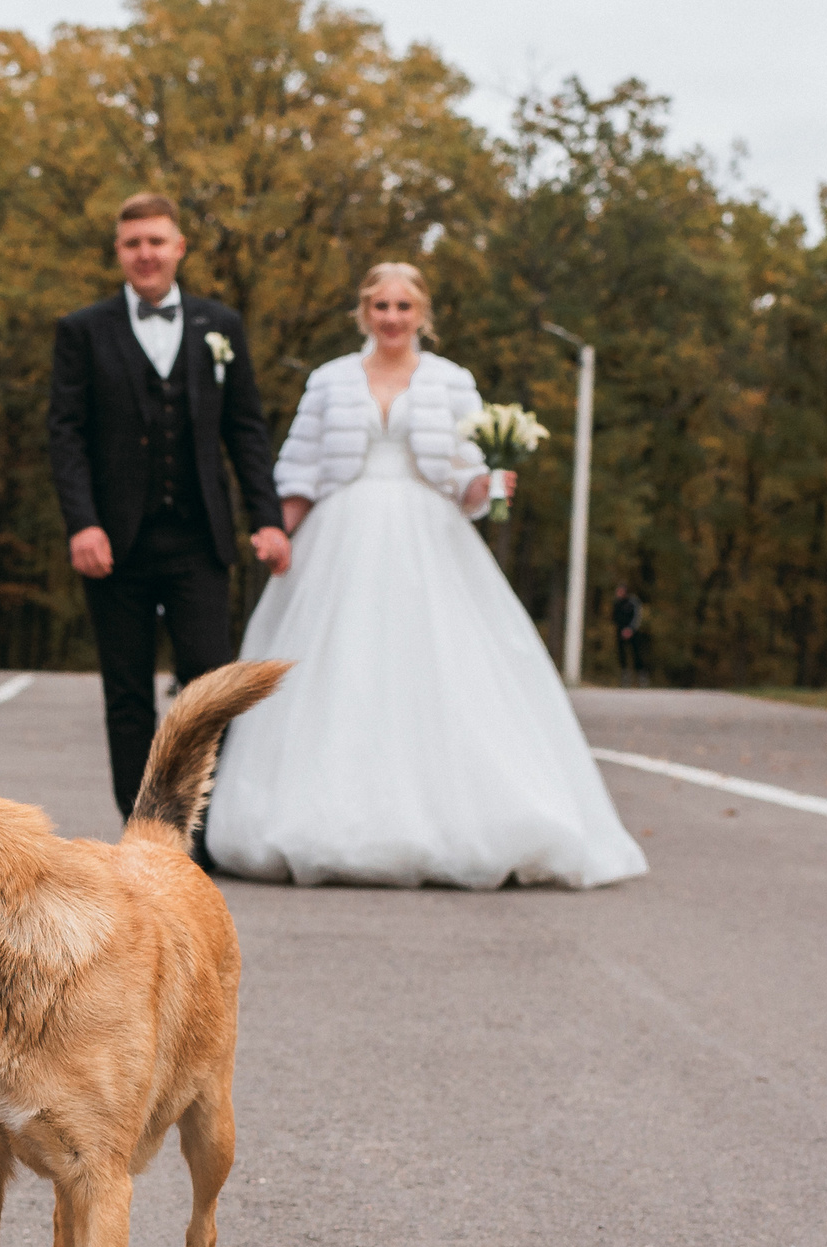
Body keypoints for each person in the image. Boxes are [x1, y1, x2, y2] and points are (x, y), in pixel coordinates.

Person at [203, 262, 647, 889]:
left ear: (421, 314)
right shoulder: (329, 381)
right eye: (380, 306)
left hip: (429, 537)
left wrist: (488, 484)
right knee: (338, 672)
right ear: (364, 312)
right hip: (340, 539)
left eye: (403, 306)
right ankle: (319, 817)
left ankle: (463, 820)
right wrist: (278, 534)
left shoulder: (451, 381)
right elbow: (298, 472)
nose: (391, 318)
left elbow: (463, 480)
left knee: (442, 671)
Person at [49, 192, 293, 823]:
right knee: (127, 695)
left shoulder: (221, 326)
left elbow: (246, 429)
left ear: (179, 247)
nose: (146, 253)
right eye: (133, 243)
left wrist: (266, 517)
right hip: (115, 544)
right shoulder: (82, 330)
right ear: (119, 251)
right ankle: (139, 832)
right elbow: (66, 434)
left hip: (198, 539)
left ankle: (202, 829)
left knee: (208, 689)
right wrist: (83, 523)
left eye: (157, 241)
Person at [612, 586, 646, 686]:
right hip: (620, 631)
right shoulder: (617, 603)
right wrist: (621, 629)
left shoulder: (633, 601)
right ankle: (625, 676)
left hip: (633, 632)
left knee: (636, 654)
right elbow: (615, 617)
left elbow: (637, 616)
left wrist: (630, 629)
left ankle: (641, 676)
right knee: (622, 654)